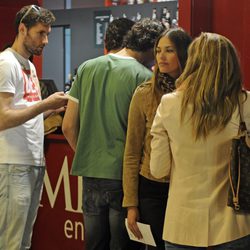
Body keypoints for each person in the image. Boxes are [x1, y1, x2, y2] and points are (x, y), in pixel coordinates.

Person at [62, 18, 165, 250]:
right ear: (151, 47)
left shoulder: (87, 67)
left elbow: (68, 126)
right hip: (124, 178)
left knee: (95, 244)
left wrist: (88, 153)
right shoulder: (144, 78)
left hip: (90, 174)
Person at [150, 32, 250, 250]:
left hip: (181, 225)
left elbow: (158, 169)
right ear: (231, 63)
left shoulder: (169, 104)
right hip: (235, 224)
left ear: (192, 61)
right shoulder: (245, 103)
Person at [0, 5, 68, 250]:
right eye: (41, 33)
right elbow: (3, 118)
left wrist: (54, 107)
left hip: (32, 163)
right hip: (13, 164)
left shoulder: (29, 66)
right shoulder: (6, 63)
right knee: (11, 242)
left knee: (23, 241)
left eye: (47, 33)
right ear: (22, 29)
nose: (46, 40)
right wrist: (44, 105)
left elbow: (26, 112)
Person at [123, 28, 192, 250]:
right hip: (151, 186)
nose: (161, 56)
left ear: (183, 53)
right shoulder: (144, 94)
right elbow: (132, 152)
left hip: (186, 186)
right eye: (158, 50)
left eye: (169, 50)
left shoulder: (196, 94)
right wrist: (131, 203)